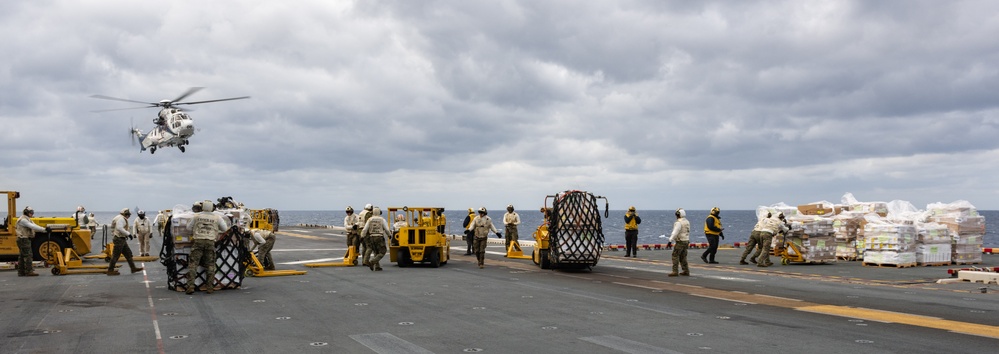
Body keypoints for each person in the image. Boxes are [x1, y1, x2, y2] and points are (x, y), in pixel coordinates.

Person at [187, 201, 227, 294]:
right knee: (210, 265)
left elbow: (189, 227)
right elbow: (224, 229)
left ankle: (190, 287)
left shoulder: (196, 216)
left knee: (193, 264)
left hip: (198, 241)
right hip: (210, 242)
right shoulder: (217, 217)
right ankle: (209, 287)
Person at [107, 208, 144, 276]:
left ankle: (133, 268)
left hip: (121, 238)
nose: (128, 216)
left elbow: (113, 226)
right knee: (115, 255)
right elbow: (119, 228)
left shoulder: (118, 217)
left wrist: (113, 233)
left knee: (128, 254)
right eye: (127, 214)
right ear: (125, 214)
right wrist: (128, 234)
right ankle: (110, 270)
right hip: (119, 239)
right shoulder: (121, 219)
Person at [15, 206, 47, 276]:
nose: (32, 214)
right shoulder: (23, 220)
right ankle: (29, 271)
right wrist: (44, 230)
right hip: (23, 239)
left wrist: (44, 229)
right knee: (28, 255)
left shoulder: (27, 219)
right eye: (31, 212)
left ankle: (21, 271)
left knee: (22, 255)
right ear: (27, 212)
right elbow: (32, 226)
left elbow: (34, 225)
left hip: (23, 238)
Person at [361, 206, 390, 271]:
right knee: (382, 252)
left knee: (376, 251)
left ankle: (377, 266)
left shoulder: (370, 219)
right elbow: (387, 229)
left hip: (371, 237)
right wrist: (389, 235)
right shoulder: (382, 219)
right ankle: (372, 262)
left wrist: (362, 236)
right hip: (379, 237)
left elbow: (365, 229)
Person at [667, 208, 691, 277]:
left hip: (680, 241)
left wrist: (670, 240)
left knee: (675, 255)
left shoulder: (678, 223)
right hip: (686, 240)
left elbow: (675, 232)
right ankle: (686, 271)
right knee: (683, 256)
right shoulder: (687, 221)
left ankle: (675, 271)